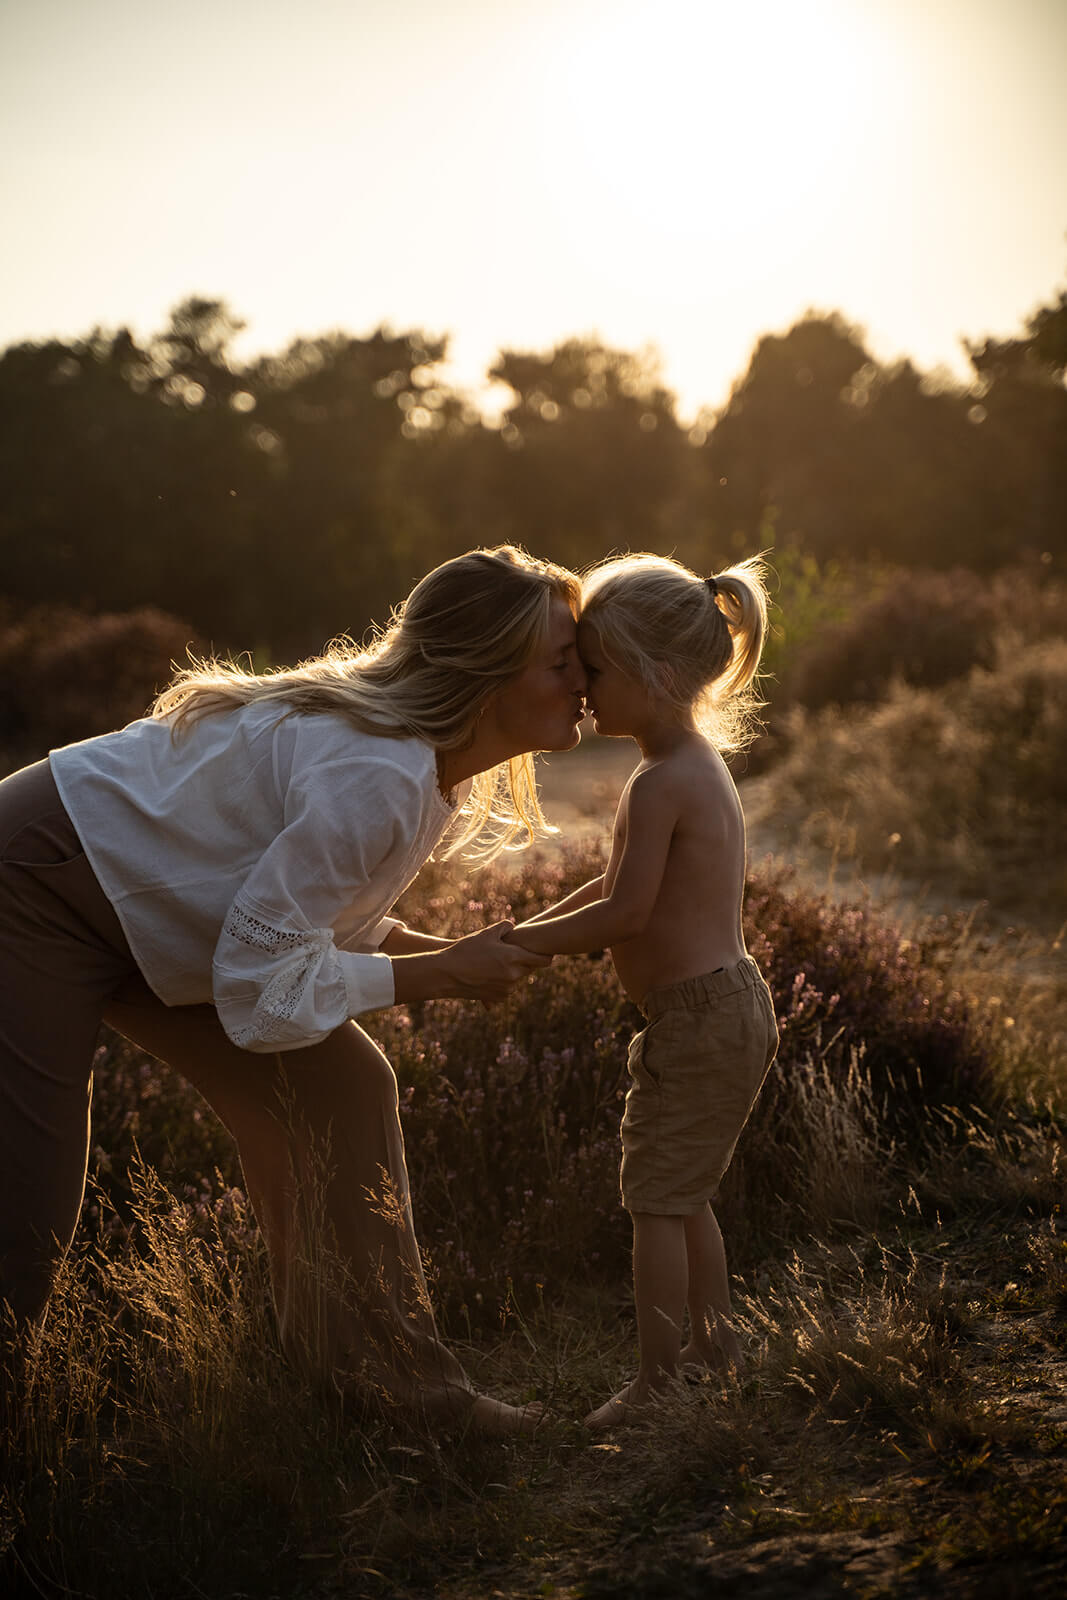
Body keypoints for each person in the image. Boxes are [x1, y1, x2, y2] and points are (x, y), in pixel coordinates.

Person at [0, 545, 588, 1432]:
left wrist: (445, 954)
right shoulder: (381, 773)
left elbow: (296, 916)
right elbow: (257, 986)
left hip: (143, 908)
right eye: (562, 661)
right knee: (27, 1201)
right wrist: (435, 974)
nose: (585, 679)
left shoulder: (422, 768)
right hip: (33, 886)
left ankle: (392, 1396)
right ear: (490, 674)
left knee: (342, 1090)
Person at [506, 552, 779, 1431]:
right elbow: (620, 889)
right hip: (712, 1013)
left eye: (596, 671)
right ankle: (715, 1348)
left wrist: (529, 946)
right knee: (680, 1189)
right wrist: (525, 933)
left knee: (655, 1203)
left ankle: (658, 1383)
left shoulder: (666, 780)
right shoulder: (678, 766)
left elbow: (625, 913)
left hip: (702, 1019)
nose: (581, 689)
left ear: (655, 676)